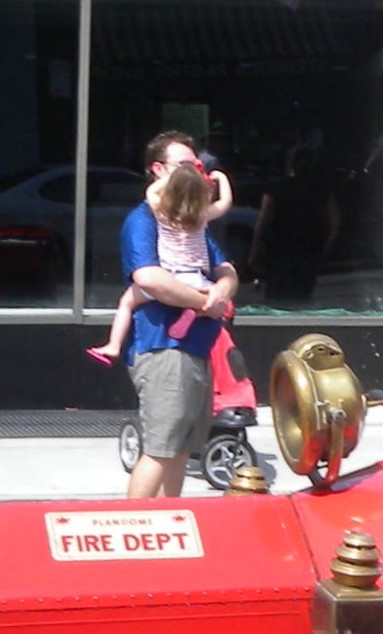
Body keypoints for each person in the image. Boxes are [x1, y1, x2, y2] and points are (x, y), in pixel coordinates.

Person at [120, 130, 240, 499]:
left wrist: (220, 291)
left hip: (197, 348)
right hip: (163, 349)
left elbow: (225, 270)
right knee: (159, 449)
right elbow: (149, 278)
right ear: (158, 170)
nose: (196, 172)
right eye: (186, 165)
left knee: (181, 448)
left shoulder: (193, 218)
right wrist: (202, 301)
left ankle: (170, 519)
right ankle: (132, 532)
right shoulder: (144, 219)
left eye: (199, 166)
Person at [88, 160, 234, 364]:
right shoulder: (202, 217)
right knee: (221, 298)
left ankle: (113, 345)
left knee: (127, 302)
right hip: (195, 277)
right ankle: (197, 311)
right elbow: (225, 202)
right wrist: (220, 178)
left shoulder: (162, 214)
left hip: (170, 276)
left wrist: (173, 177)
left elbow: (152, 191)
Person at [249, 146, 340, 305]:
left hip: (279, 250)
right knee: (302, 296)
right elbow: (335, 222)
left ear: (291, 164)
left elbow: (263, 221)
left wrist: (254, 251)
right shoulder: (322, 189)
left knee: (276, 298)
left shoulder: (276, 187)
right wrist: (324, 248)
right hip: (309, 250)